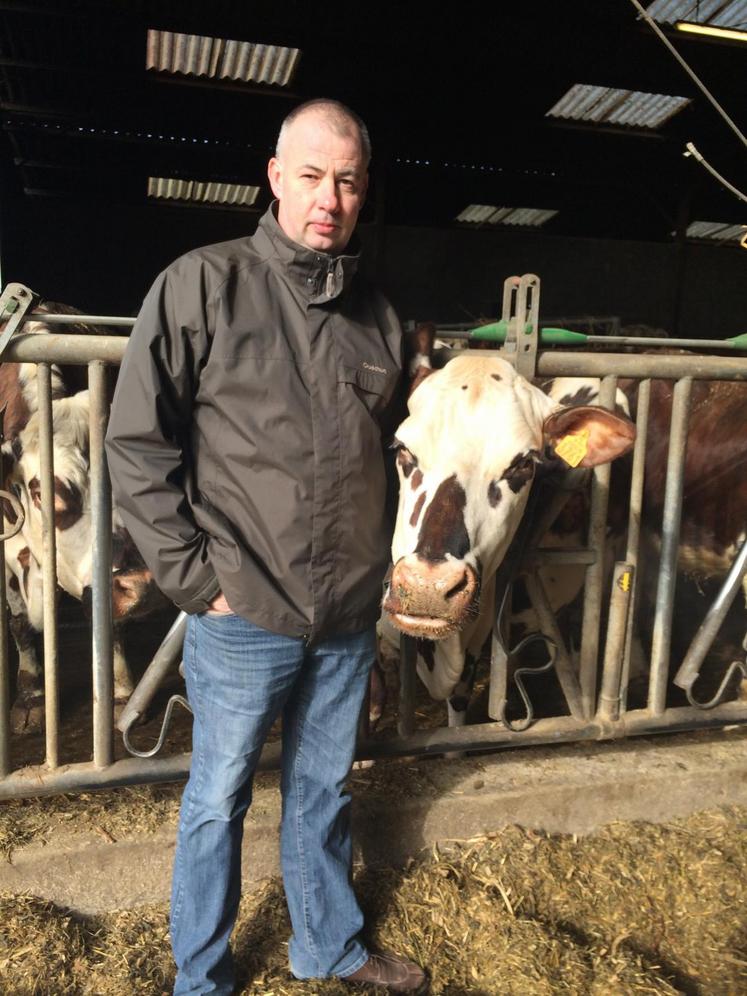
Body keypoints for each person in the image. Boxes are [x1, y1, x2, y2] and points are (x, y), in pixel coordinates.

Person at [105, 99, 427, 994]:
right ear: (276, 176)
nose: (330, 197)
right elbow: (136, 442)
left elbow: (409, 447)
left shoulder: (381, 320)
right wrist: (193, 578)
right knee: (217, 799)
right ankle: (201, 977)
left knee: (324, 792)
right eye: (313, 175)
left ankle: (326, 947)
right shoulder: (204, 285)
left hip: (348, 610)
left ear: (363, 194)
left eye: (349, 180)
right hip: (242, 606)